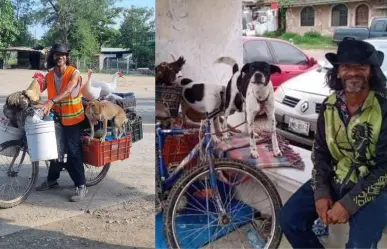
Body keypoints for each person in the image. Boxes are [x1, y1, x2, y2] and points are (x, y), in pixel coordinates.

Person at [279, 38, 387, 248]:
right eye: (346, 66)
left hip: (375, 187)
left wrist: (349, 204)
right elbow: (320, 152)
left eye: (361, 67)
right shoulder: (329, 106)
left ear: (371, 71)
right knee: (290, 219)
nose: (353, 73)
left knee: (359, 245)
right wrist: (321, 193)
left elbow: (385, 168)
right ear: (337, 71)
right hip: (337, 178)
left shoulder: (384, 108)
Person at [35, 43, 88, 202]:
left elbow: (68, 90)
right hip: (56, 118)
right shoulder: (49, 75)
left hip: (73, 118)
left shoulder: (74, 73)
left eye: (63, 54)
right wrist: (27, 94)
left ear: (67, 57)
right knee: (54, 151)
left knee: (73, 153)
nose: (60, 57)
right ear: (52, 57)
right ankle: (52, 179)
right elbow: (38, 89)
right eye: (56, 54)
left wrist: (51, 101)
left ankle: (81, 186)